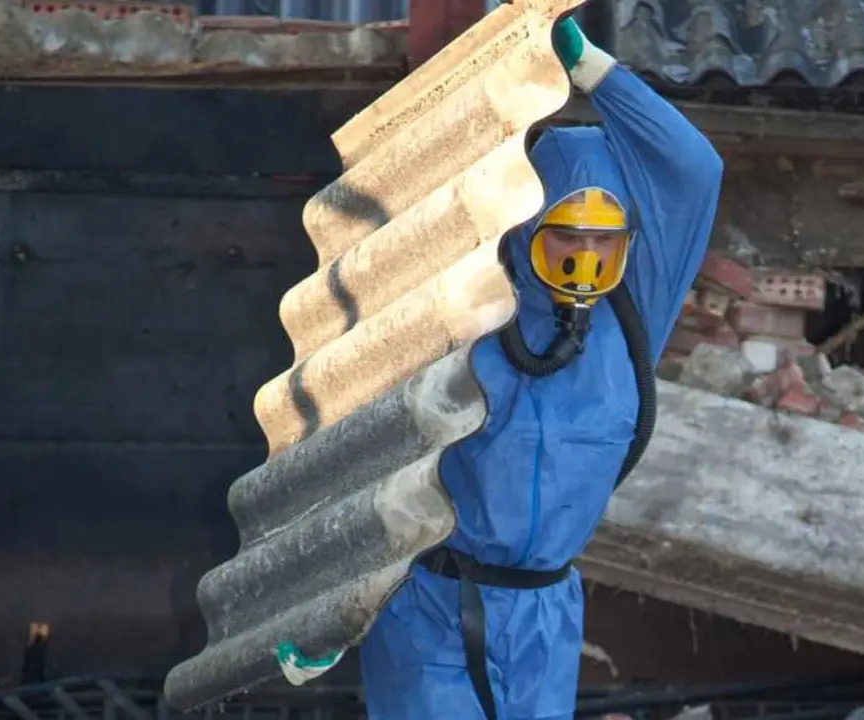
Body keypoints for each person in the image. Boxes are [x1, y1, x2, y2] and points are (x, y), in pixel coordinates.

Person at [278, 14, 723, 720]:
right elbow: (359, 449)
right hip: (428, 602)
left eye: (603, 246)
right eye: (567, 240)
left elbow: (697, 171)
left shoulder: (635, 313)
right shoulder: (460, 303)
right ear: (525, 224)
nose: (586, 263)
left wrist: (594, 71)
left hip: (545, 613)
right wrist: (325, 608)